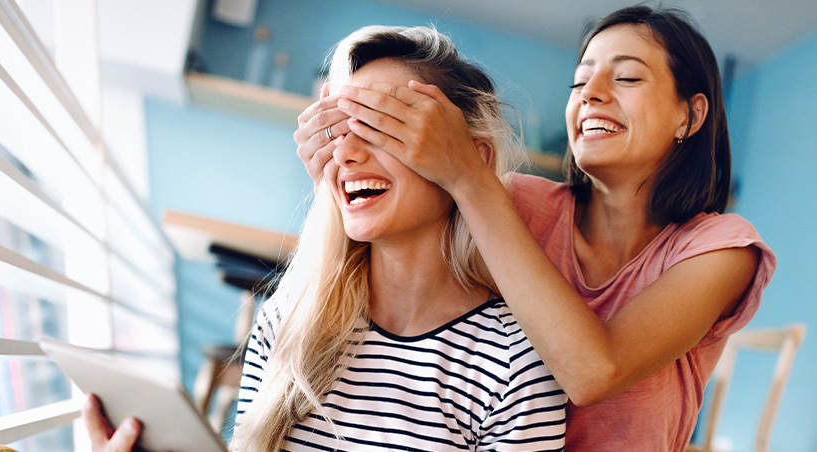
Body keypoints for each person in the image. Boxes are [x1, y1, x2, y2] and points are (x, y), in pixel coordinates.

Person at [296, 5, 776, 451]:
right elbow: (400, 243)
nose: (591, 94)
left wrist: (467, 174)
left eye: (627, 76)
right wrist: (342, 166)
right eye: (580, 82)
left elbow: (592, 373)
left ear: (689, 115)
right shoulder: (513, 202)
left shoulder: (721, 249)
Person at [82, 25, 566, 452]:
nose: (347, 154)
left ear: (472, 160)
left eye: (381, 124)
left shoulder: (515, 368)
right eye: (337, 128)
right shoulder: (287, 320)